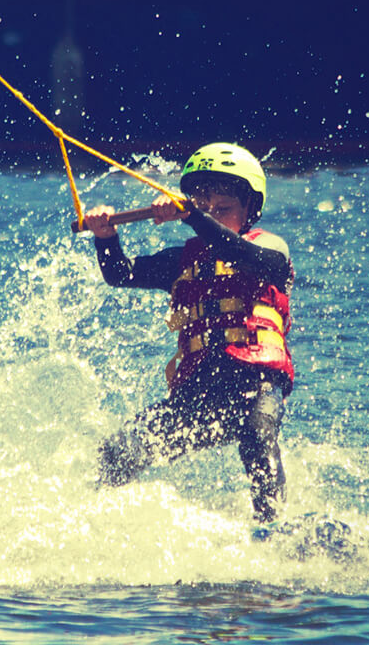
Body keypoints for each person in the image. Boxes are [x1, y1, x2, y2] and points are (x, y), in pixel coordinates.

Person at [83, 142, 294, 522]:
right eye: (203, 205)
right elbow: (121, 274)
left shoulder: (270, 249)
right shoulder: (180, 261)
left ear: (250, 209)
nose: (212, 214)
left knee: (257, 438)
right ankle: (92, 523)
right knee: (118, 449)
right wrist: (105, 237)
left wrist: (194, 216)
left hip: (256, 385)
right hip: (201, 395)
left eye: (223, 208)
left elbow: (243, 256)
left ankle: (274, 530)